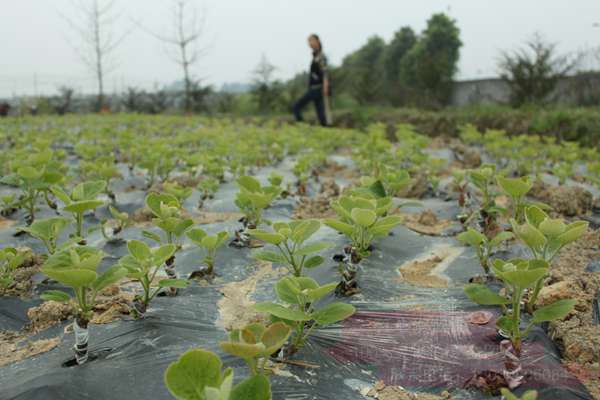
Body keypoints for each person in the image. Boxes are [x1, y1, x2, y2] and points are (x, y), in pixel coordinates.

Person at [292, 34, 331, 126]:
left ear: (318, 41)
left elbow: (325, 72)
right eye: (309, 41)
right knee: (320, 114)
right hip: (314, 88)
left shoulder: (321, 56)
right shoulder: (315, 56)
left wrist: (326, 86)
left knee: (296, 107)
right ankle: (325, 129)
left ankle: (302, 127)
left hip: (318, 88)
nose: (310, 43)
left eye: (312, 40)